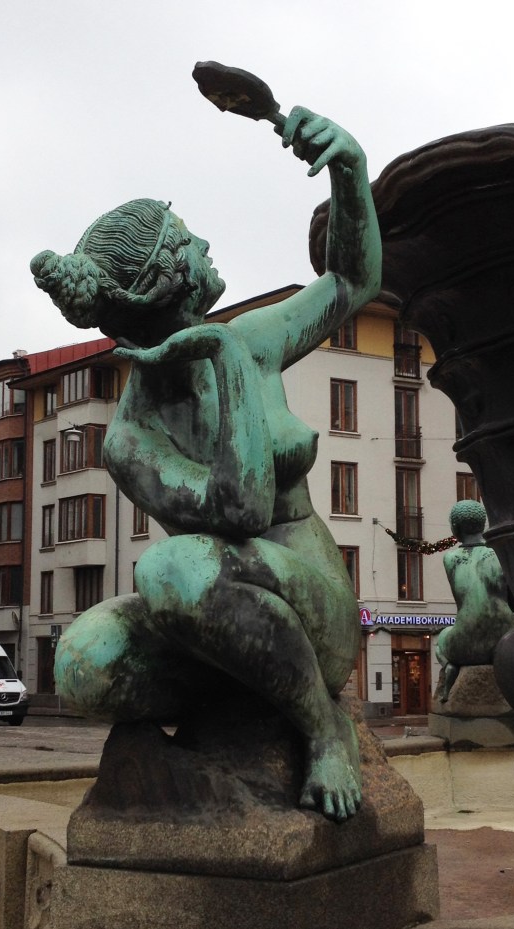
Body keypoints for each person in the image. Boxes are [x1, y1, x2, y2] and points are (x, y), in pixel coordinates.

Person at [30, 106, 382, 823]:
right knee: (80, 660)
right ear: (170, 277)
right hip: (207, 616)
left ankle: (325, 730)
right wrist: (221, 356)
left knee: (167, 566)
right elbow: (240, 507)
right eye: (189, 239)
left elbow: (352, 279)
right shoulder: (131, 438)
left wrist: (349, 169)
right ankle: (238, 690)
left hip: (308, 601)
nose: (206, 244)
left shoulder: (256, 337)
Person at [436, 500, 514, 701]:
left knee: (442, 639)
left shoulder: (450, 558)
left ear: (455, 527)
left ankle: (449, 666)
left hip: (465, 644)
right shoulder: (502, 554)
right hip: (504, 642)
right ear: (482, 525)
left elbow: (463, 600)